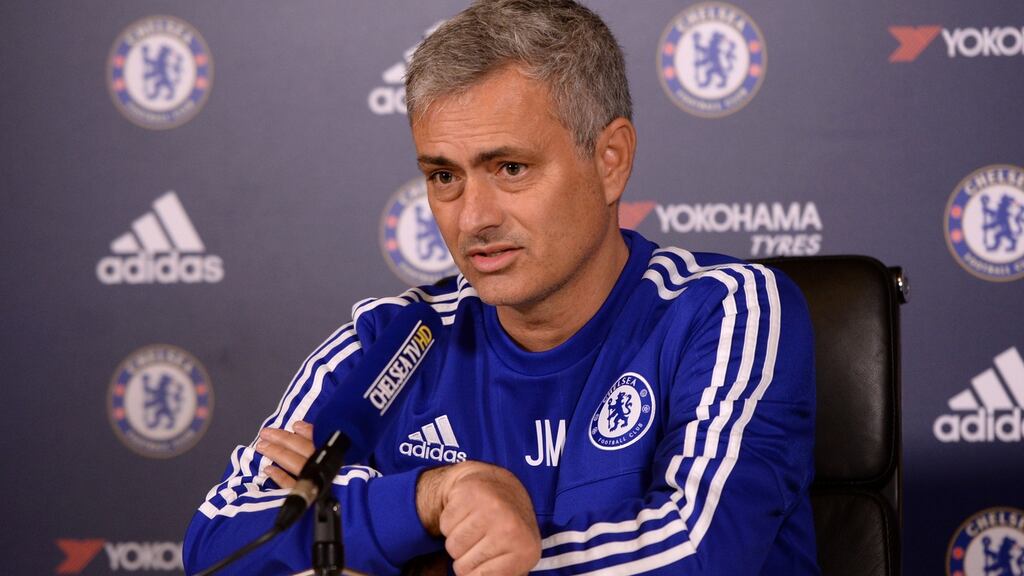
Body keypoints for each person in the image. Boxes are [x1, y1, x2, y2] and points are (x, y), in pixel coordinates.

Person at [184, 1, 820, 574]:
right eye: (443, 176)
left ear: (611, 160)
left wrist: (438, 550)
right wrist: (437, 496)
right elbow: (219, 546)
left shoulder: (723, 310)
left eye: (509, 168)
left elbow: (696, 553)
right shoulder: (392, 339)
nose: (471, 217)